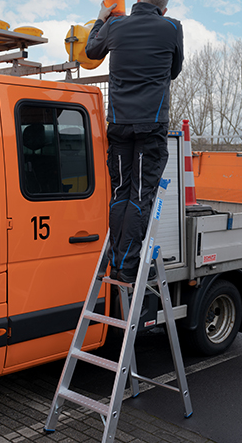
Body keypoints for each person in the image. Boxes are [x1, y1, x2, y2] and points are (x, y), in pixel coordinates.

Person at [86, 0, 183, 283]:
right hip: (150, 125)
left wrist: (101, 19)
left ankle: (117, 261)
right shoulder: (172, 27)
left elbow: (91, 51)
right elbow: (174, 71)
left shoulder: (115, 25)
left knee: (121, 193)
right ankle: (127, 267)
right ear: (163, 8)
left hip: (118, 124)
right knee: (139, 195)